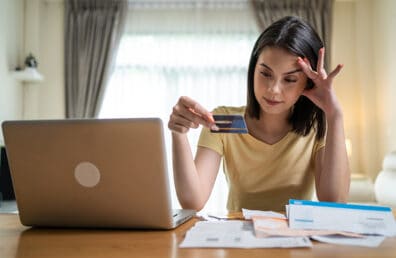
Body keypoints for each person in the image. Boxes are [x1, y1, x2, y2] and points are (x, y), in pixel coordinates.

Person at [168, 16, 350, 212]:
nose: (273, 90)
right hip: (239, 238)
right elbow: (192, 202)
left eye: (289, 79)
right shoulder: (224, 121)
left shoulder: (315, 129)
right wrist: (179, 134)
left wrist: (335, 115)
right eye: (265, 73)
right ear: (253, 69)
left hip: (295, 240)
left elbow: (334, 203)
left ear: (307, 83)